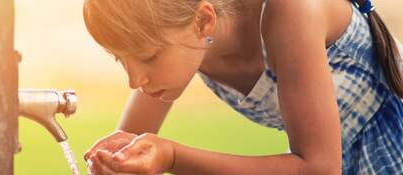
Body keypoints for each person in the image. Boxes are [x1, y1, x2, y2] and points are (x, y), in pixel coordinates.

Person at [82, 0, 403, 174]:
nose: (134, 80)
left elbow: (319, 168)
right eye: (120, 60)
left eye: (148, 57)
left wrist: (173, 157)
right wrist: (116, 163)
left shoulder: (291, 12)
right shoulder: (191, 42)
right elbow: (131, 144)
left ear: (203, 22)